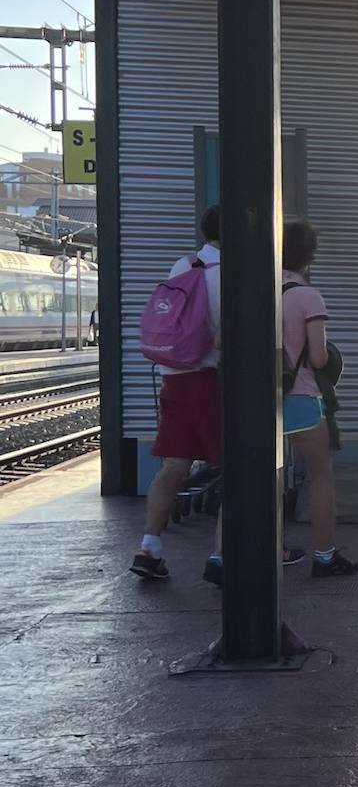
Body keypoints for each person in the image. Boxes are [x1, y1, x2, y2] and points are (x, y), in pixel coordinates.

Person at [129, 206, 225, 580]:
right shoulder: (228, 276)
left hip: (174, 377)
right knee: (238, 471)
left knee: (174, 466)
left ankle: (149, 549)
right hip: (209, 380)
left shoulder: (183, 265)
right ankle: (221, 557)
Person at [278, 219, 358, 576]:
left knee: (269, 477)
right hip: (300, 397)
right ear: (308, 258)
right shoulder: (307, 295)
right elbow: (318, 358)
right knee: (320, 473)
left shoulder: (258, 288)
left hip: (260, 400)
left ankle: (270, 547)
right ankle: (324, 556)